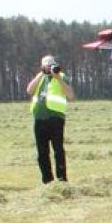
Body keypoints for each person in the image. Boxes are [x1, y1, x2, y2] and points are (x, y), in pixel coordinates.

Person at [26, 54, 75, 183]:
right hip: (39, 118)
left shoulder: (62, 76)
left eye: (51, 64)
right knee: (42, 152)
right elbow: (29, 90)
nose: (49, 68)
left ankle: (61, 179)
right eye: (46, 65)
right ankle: (47, 180)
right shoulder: (40, 77)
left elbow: (70, 95)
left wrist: (58, 78)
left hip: (56, 118)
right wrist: (41, 74)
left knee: (58, 149)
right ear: (42, 66)